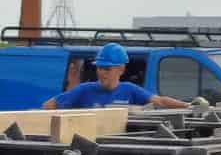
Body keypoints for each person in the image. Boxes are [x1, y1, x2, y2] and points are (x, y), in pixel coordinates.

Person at [42, 43, 190, 110]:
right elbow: (48, 106)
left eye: (106, 68)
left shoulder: (129, 90)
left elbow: (161, 101)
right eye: (99, 68)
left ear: (121, 69)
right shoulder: (84, 90)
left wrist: (188, 106)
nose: (101, 72)